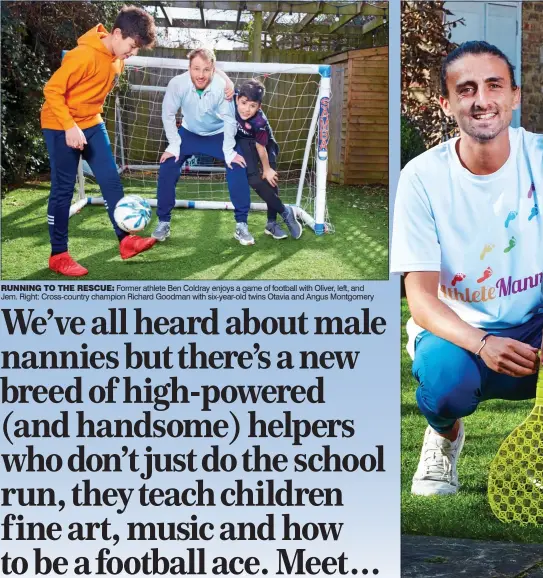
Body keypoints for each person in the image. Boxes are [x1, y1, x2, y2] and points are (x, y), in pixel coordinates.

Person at [391, 41, 543, 496]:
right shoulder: (421, 177)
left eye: (494, 86)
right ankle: (444, 436)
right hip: (461, 331)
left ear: (514, 96)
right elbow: (419, 299)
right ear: (447, 102)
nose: (482, 100)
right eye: (467, 88)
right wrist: (483, 343)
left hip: (534, 323)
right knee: (445, 384)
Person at [41, 6, 157, 277]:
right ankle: (58, 255)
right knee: (63, 189)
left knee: (110, 179)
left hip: (91, 121)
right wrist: (69, 126)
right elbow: (52, 91)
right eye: (132, 45)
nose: (133, 53)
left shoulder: (118, 57)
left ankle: (126, 241)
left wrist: (83, 123)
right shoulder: (82, 56)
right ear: (117, 34)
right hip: (60, 123)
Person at [152, 48, 254, 246]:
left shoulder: (222, 86)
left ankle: (241, 225)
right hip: (188, 134)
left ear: (213, 69)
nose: (200, 75)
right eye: (196, 69)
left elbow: (229, 120)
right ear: (188, 67)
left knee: (237, 166)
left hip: (217, 135)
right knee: (167, 166)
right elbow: (168, 115)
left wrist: (229, 152)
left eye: (206, 70)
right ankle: (163, 221)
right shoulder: (177, 84)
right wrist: (174, 145)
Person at [232, 79, 302, 240]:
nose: (246, 109)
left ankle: (271, 223)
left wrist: (267, 168)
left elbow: (261, 147)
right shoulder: (233, 97)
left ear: (259, 106)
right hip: (244, 141)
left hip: (265, 144)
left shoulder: (259, 122)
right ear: (237, 99)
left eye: (252, 106)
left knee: (271, 180)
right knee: (253, 178)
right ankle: (285, 210)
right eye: (243, 103)